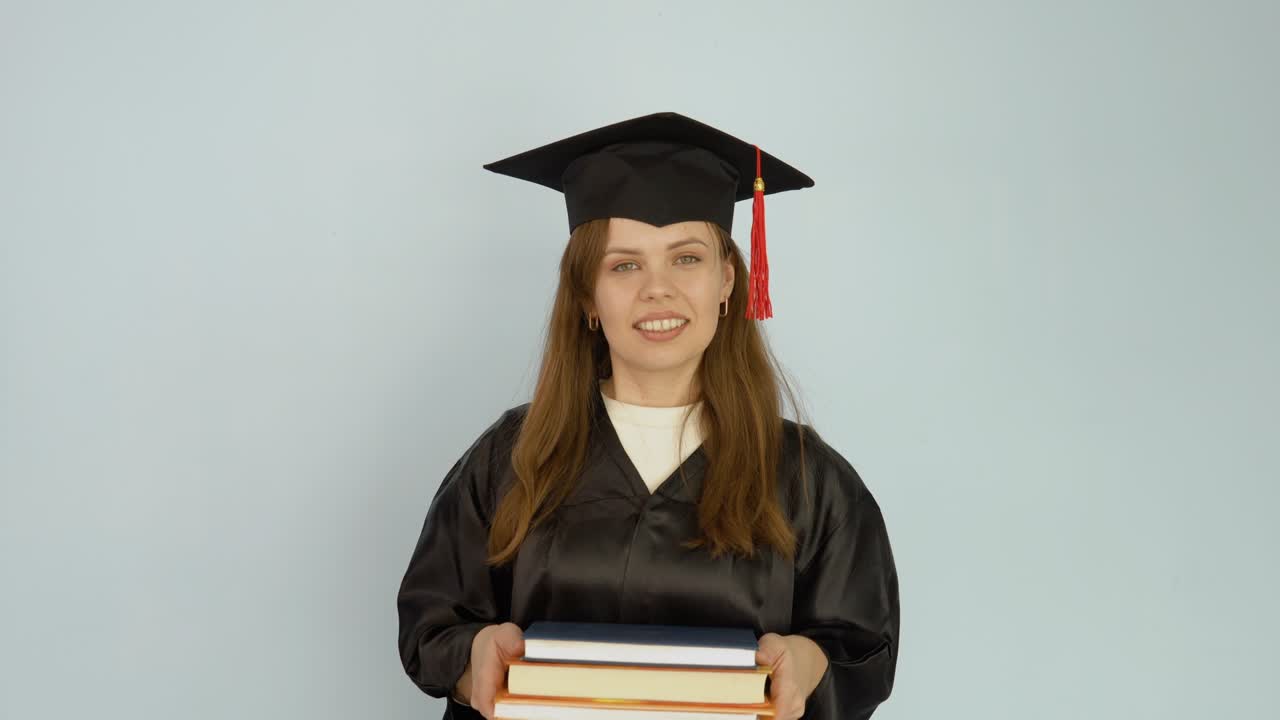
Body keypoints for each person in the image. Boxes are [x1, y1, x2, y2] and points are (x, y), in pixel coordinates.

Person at [397, 112, 899, 720]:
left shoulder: (807, 477)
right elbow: (433, 623)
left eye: (686, 259)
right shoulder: (513, 456)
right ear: (587, 296)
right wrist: (474, 656)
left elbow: (860, 647)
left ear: (727, 281)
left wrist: (809, 662)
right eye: (624, 264)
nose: (656, 289)